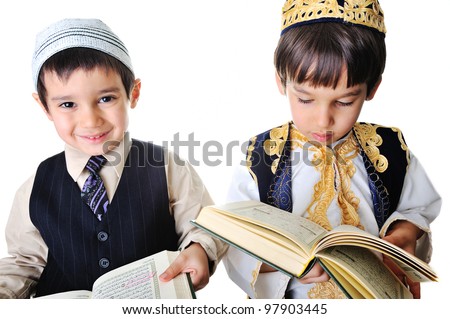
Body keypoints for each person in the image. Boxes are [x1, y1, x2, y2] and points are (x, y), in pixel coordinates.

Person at [223, 0, 441, 299]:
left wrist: (406, 232)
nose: (323, 119)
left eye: (345, 102)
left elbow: (419, 207)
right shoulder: (261, 156)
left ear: (372, 88)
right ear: (281, 81)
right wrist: (285, 262)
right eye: (305, 99)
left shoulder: (390, 149)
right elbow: (235, 239)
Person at [0, 18, 226, 298]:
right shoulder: (34, 187)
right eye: (68, 104)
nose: (90, 120)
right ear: (45, 106)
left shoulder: (167, 168)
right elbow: (26, 262)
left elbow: (205, 226)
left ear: (133, 93)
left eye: (106, 99)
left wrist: (199, 249)